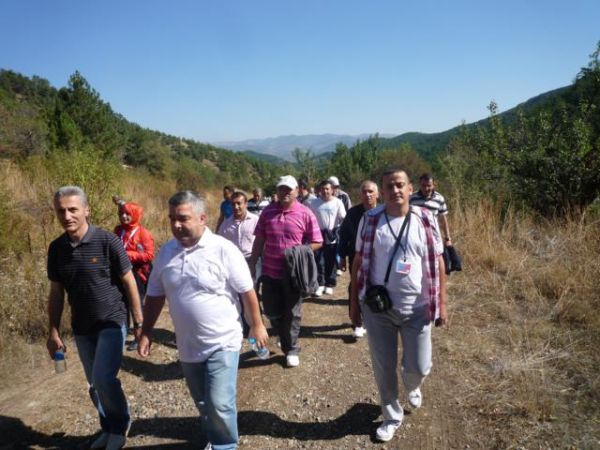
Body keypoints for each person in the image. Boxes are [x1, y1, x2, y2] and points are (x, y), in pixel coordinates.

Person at [138, 191, 268, 450]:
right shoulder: (166, 253)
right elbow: (154, 295)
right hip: (188, 345)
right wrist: (146, 331)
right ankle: (215, 434)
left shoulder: (223, 249)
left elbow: (246, 291)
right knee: (202, 401)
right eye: (172, 218)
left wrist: (256, 324)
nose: (176, 224)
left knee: (219, 401)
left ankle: (225, 445)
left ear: (202, 218)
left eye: (183, 218)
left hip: (223, 340)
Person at [350, 168, 447, 443]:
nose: (395, 190)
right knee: (383, 366)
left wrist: (443, 304)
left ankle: (413, 384)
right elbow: (358, 261)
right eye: (389, 186)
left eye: (400, 185)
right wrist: (355, 306)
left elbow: (438, 261)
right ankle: (391, 416)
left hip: (418, 308)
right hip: (378, 309)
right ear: (382, 191)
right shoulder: (370, 220)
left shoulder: (426, 219)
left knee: (419, 365)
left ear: (410, 187)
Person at [47, 186, 143, 450]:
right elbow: (56, 293)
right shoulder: (56, 249)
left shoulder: (107, 241)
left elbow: (129, 282)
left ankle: (121, 426)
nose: (67, 215)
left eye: (73, 209)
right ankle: (108, 427)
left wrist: (138, 323)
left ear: (86, 210)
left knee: (104, 379)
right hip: (82, 326)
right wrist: (53, 330)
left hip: (111, 321)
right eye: (61, 210)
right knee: (93, 384)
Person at [249, 175, 322, 367]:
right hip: (269, 271)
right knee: (272, 310)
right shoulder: (267, 212)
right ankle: (284, 335)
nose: (285, 193)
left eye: (289, 190)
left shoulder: (305, 213)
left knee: (292, 312)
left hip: (293, 273)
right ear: (277, 191)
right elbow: (259, 238)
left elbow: (317, 241)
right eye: (281, 189)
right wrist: (253, 260)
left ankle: (291, 348)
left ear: (297, 191)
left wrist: (299, 251)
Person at [338, 180, 379, 338]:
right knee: (355, 285)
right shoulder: (353, 213)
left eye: (371, 191)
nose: (368, 195)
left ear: (377, 194)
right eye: (364, 192)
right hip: (356, 256)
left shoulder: (385, 212)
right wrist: (341, 256)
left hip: (379, 257)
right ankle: (356, 321)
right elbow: (344, 235)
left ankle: (375, 317)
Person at [114, 201, 155, 351]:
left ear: (135, 215)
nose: (123, 216)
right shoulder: (118, 230)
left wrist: (128, 255)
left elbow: (149, 255)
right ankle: (121, 334)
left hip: (138, 274)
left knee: (136, 304)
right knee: (122, 303)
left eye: (127, 214)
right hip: (121, 272)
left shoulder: (143, 233)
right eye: (121, 214)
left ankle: (140, 337)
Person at [218, 191, 260, 337]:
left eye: (239, 203)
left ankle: (255, 325)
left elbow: (261, 242)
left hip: (251, 260)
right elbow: (220, 245)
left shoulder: (255, 220)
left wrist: (256, 262)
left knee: (251, 293)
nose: (236, 207)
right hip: (233, 263)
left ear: (245, 204)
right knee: (236, 294)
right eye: (233, 204)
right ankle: (243, 325)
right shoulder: (226, 224)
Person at [309, 180, 346, 296]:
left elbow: (343, 218)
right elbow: (310, 219)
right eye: (323, 189)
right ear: (319, 190)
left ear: (332, 190)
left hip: (332, 236)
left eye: (327, 189)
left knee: (330, 260)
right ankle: (320, 284)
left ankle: (330, 284)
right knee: (319, 261)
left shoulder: (338, 202)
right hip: (317, 235)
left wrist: (338, 230)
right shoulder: (314, 203)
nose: (325, 191)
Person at [409, 173, 452, 246]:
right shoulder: (412, 198)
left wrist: (447, 238)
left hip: (433, 237)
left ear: (434, 185)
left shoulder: (439, 198)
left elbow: (443, 220)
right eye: (423, 185)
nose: (426, 188)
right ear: (420, 184)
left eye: (429, 186)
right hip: (415, 236)